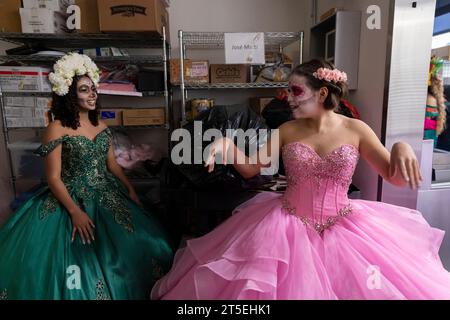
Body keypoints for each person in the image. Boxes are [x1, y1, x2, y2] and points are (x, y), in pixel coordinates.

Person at [151, 59, 450, 300]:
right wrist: (229, 147)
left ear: (321, 93)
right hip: (286, 226)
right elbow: (252, 169)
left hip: (345, 227)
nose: (286, 98)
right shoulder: (286, 130)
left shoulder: (357, 129)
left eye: (295, 91)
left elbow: (394, 178)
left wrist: (401, 146)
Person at [0, 53, 173, 300]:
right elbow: (54, 178)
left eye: (93, 88)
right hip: (68, 198)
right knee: (69, 259)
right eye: (84, 89)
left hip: (107, 194)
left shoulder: (100, 125)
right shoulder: (55, 128)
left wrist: (130, 189)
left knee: (143, 244)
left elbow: (112, 164)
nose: (92, 94)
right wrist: (74, 212)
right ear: (69, 94)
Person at [424, 56, 446, 147]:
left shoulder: (428, 99)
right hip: (430, 144)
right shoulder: (436, 99)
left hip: (424, 143)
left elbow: (426, 127)